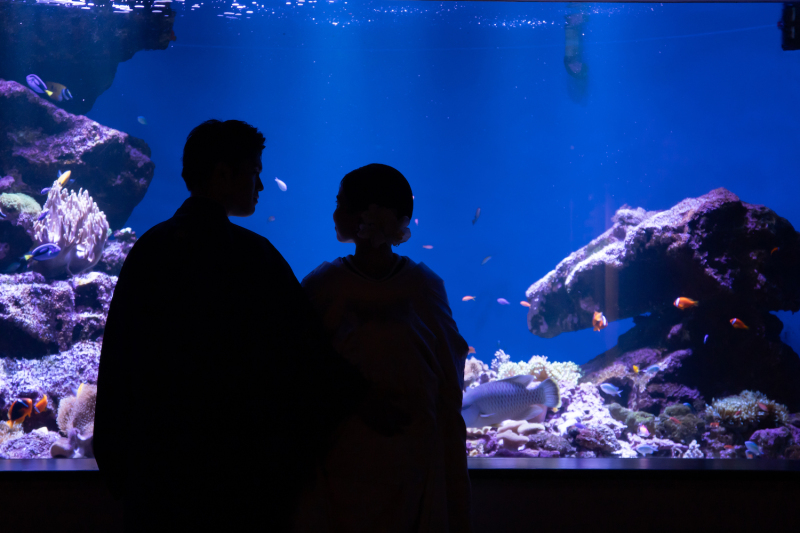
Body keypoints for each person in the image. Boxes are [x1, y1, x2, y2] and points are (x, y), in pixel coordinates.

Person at [93, 120, 393, 532]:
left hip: (157, 476)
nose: (262, 185)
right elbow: (305, 353)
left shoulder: (149, 250)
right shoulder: (252, 257)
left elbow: (117, 364)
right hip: (238, 478)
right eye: (255, 171)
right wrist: (368, 400)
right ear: (222, 174)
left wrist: (119, 469)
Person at [293, 164, 473, 532]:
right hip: (376, 460)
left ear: (367, 214)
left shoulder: (325, 285)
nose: (334, 213)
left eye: (341, 203)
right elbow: (449, 375)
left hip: (376, 466)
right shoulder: (422, 286)